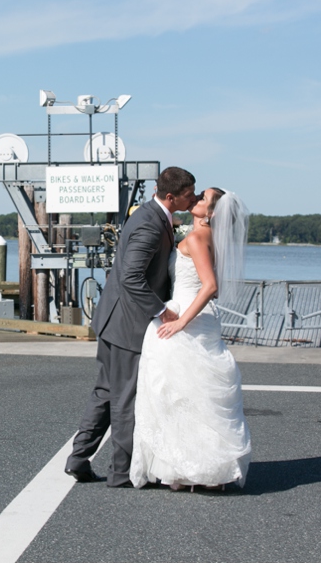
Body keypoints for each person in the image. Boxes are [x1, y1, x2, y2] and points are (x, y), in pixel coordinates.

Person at [65, 167, 197, 488]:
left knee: (106, 391)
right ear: (170, 196)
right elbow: (132, 277)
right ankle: (120, 472)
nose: (193, 198)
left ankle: (78, 458)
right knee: (125, 397)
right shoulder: (152, 226)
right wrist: (163, 311)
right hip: (127, 324)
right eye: (188, 194)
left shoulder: (151, 216)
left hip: (113, 318)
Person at [130, 187, 252, 490]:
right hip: (202, 319)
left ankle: (185, 469)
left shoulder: (197, 239)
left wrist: (182, 321)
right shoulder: (208, 239)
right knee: (195, 396)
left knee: (179, 395)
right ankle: (202, 470)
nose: (195, 197)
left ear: (210, 214)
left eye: (202, 198)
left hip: (188, 317)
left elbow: (210, 287)